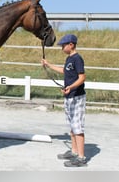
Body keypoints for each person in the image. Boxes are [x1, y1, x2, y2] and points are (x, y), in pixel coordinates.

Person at [41, 34, 87, 167]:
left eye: (63, 45)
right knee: (72, 126)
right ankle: (74, 151)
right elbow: (64, 71)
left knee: (77, 126)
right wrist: (48, 64)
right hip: (69, 96)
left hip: (77, 97)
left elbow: (82, 77)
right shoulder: (69, 59)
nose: (62, 48)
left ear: (71, 45)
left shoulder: (77, 59)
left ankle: (81, 157)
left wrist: (70, 87)